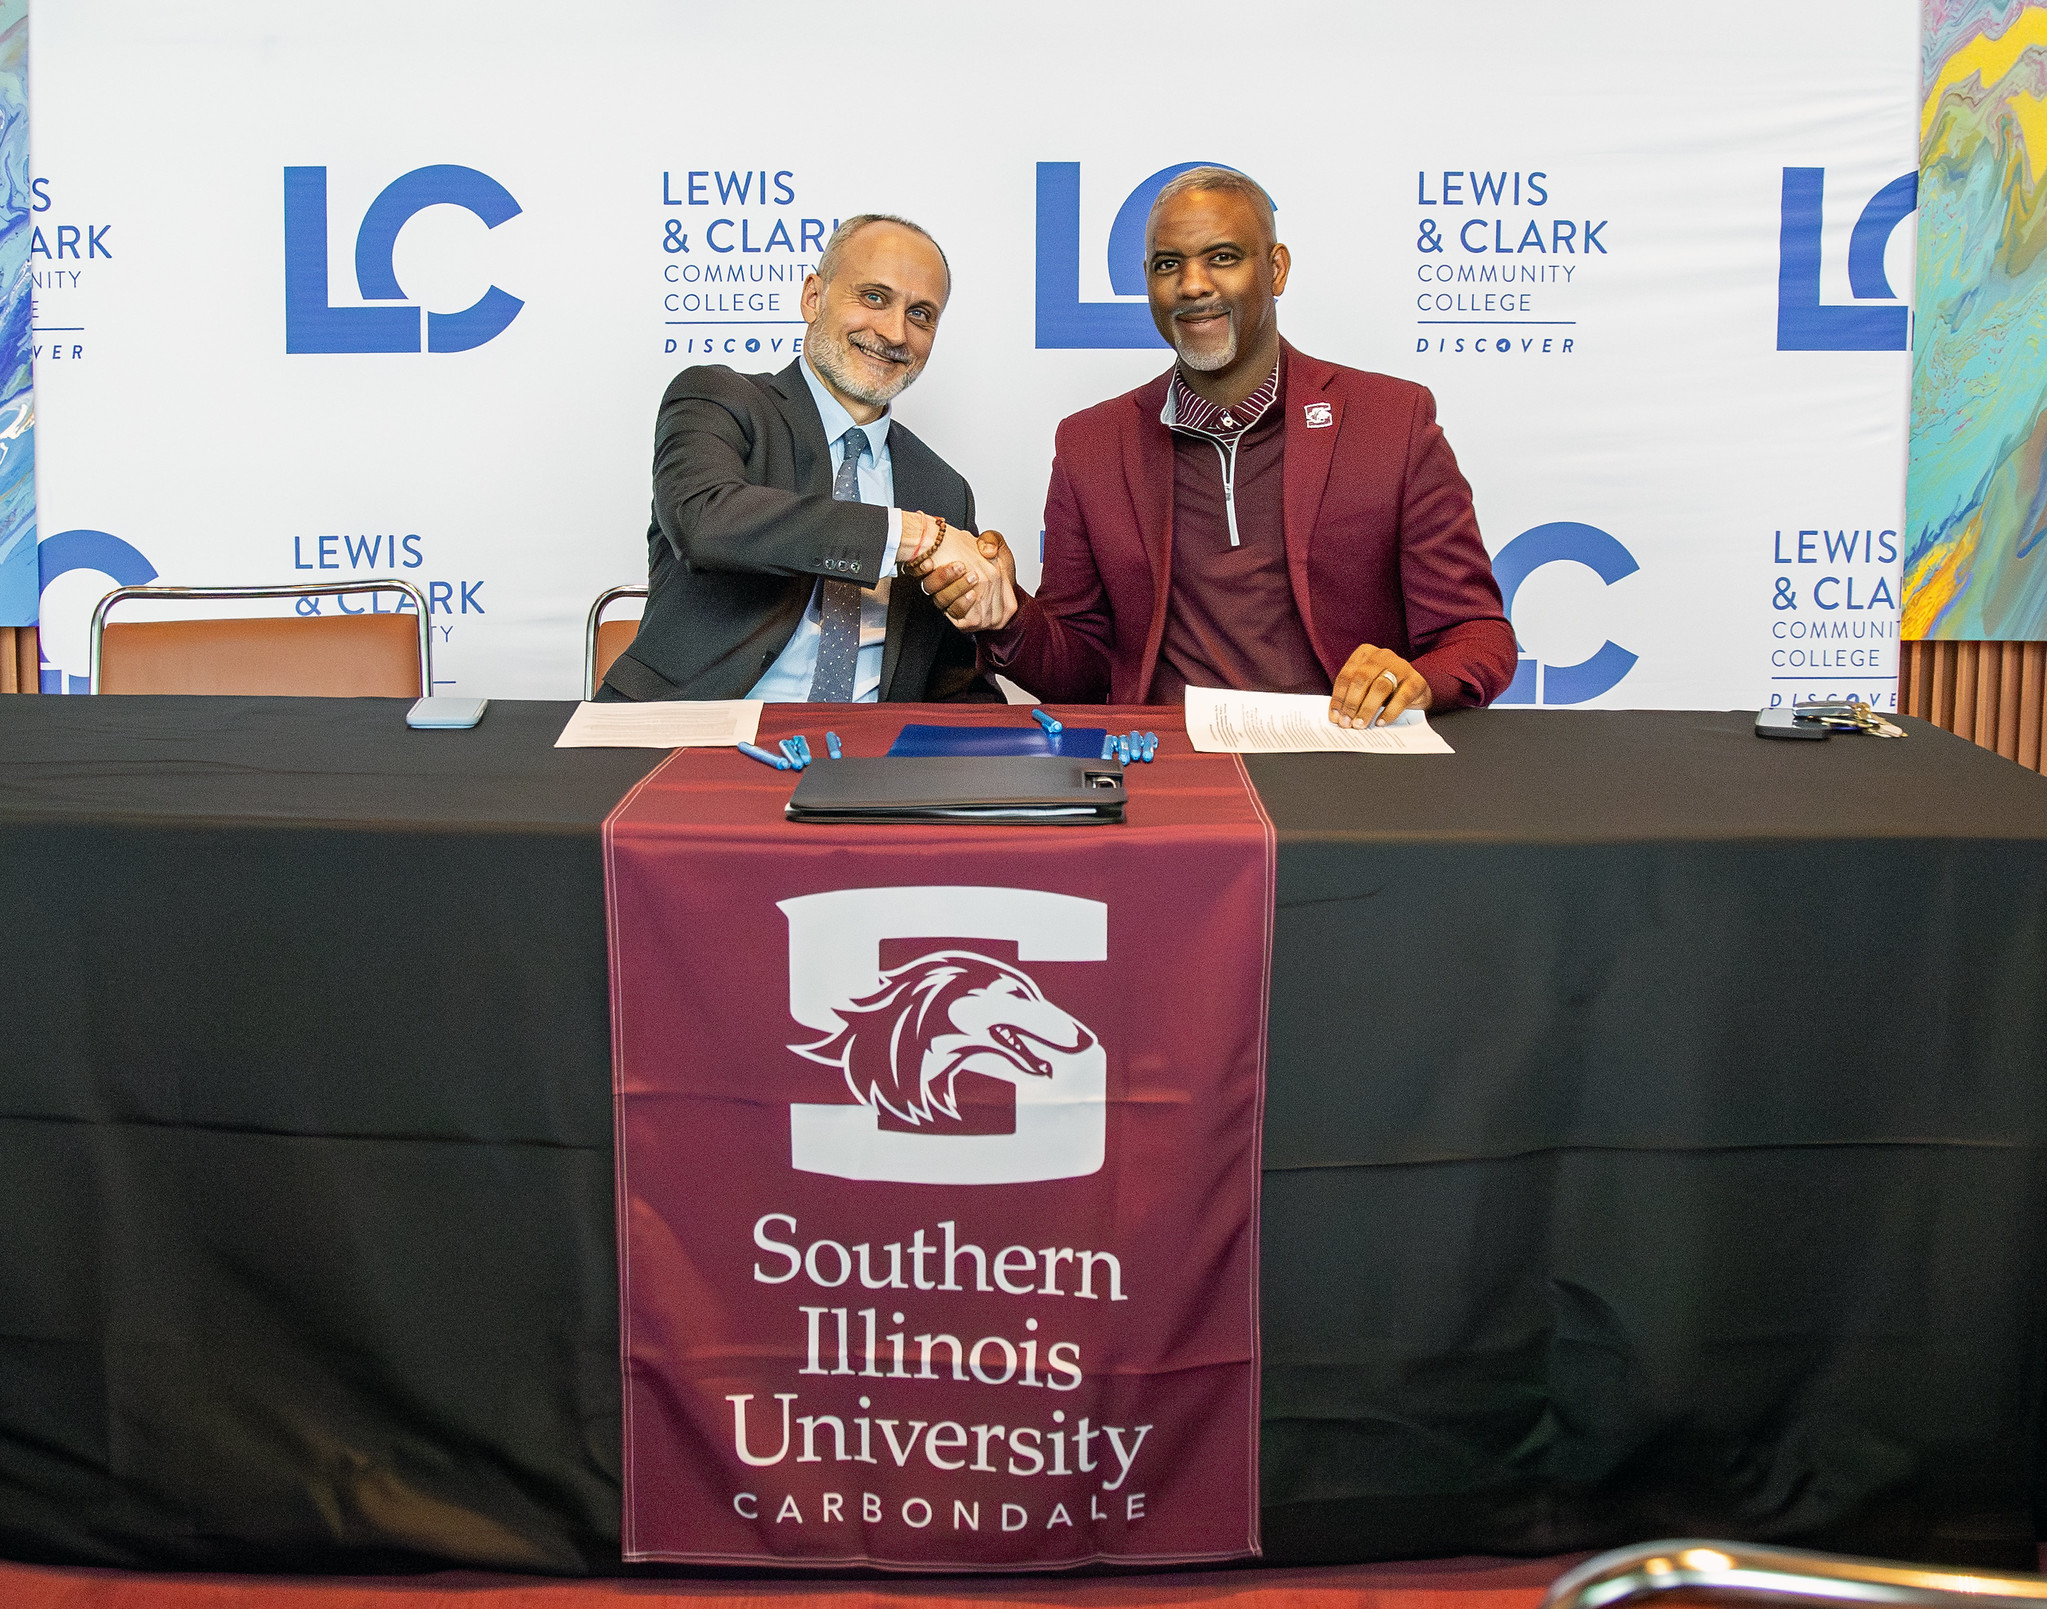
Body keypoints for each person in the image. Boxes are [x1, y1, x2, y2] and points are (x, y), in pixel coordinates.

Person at [934, 168, 1515, 729]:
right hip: (1166, 764)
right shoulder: (1092, 445)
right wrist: (1007, 615)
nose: (1193, 285)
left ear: (1277, 269)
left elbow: (1477, 635)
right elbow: (1083, 673)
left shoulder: (1390, 421)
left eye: (1223, 257)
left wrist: (1413, 680)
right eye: (1169, 265)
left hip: (1345, 758)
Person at [600, 214, 1013, 702]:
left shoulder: (942, 487)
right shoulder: (718, 398)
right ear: (813, 297)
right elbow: (704, 522)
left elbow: (954, 685)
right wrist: (911, 535)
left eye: (920, 314)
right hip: (694, 737)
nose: (895, 333)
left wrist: (994, 611)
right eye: (874, 297)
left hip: (868, 760)